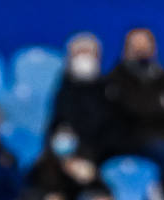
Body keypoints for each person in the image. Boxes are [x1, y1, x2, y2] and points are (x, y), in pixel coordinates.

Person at [103, 28, 164, 159]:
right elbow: (130, 112)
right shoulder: (113, 82)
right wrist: (162, 109)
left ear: (154, 49)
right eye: (136, 47)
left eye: (145, 46)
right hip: (129, 146)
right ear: (125, 51)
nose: (141, 51)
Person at [49, 33, 115, 162]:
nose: (84, 58)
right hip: (69, 156)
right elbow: (58, 125)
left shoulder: (109, 89)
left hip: (103, 155)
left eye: (89, 53)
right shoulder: (63, 89)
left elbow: (110, 128)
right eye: (79, 53)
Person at [24, 123, 101, 200]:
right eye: (60, 137)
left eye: (68, 136)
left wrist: (91, 178)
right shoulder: (42, 164)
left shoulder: (87, 159)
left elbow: (97, 192)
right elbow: (28, 189)